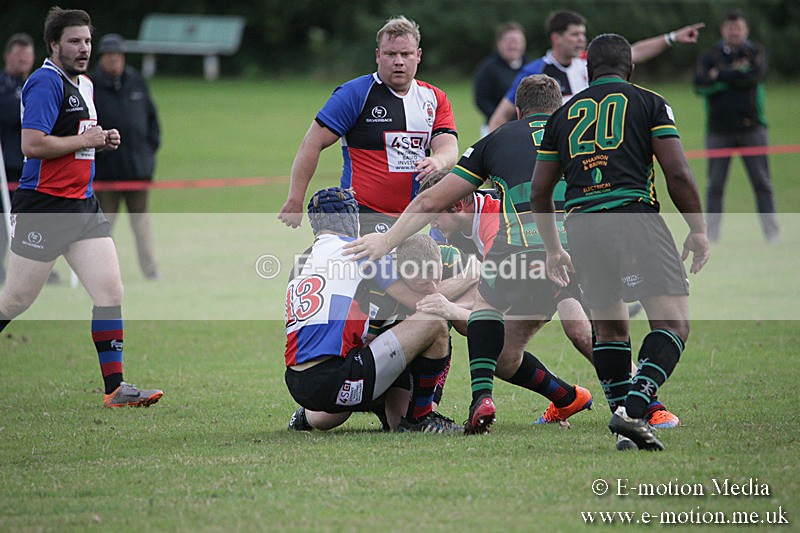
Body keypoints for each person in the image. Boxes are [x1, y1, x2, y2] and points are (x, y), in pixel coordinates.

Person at [345, 74, 600, 435]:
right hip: (581, 246)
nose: (435, 224)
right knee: (503, 354)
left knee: (548, 325)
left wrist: (445, 300)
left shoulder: (498, 220)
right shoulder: (577, 137)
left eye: (440, 216)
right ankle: (570, 398)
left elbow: (474, 280)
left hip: (551, 257)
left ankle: (641, 399)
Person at [531, 34, 710, 451]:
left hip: (582, 229)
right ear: (630, 69)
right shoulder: (649, 102)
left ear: (588, 70)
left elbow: (540, 191)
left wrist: (554, 248)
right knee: (672, 324)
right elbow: (678, 173)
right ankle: (632, 411)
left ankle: (626, 432)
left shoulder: (563, 114)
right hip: (634, 219)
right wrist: (698, 229)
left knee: (610, 331)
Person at [0, 7, 162, 408]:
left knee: (110, 290)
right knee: (15, 301)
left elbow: (77, 138)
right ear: (54, 44)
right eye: (74, 41)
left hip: (81, 207)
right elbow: (32, 145)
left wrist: (102, 139)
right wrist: (86, 140)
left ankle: (116, 388)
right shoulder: (44, 82)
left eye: (87, 41)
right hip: (44, 207)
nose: (83, 48)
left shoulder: (85, 85)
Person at [285, 187, 462, 433]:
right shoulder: (360, 250)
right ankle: (421, 418)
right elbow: (420, 302)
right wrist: (471, 276)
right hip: (336, 380)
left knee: (337, 407)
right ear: (353, 218)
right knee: (433, 322)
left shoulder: (302, 261)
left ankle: (306, 417)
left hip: (297, 383)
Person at [277, 15, 459, 236]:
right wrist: (295, 200)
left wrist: (438, 160)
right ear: (378, 56)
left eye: (406, 54)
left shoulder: (434, 98)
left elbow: (449, 147)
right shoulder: (354, 94)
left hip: (419, 213)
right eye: (391, 54)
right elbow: (312, 142)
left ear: (418, 56)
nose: (399, 61)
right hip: (364, 213)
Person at [488, 10, 705, 131]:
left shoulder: (589, 62)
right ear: (556, 38)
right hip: (553, 157)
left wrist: (672, 38)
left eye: (583, 34)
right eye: (575, 34)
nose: (582, 39)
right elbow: (498, 119)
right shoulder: (535, 72)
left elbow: (633, 51)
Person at [694, 9, 778, 243]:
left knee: (762, 183)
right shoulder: (710, 55)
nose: (734, 31)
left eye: (738, 27)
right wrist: (734, 74)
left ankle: (772, 235)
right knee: (715, 186)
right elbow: (700, 85)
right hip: (718, 131)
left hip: (753, 129)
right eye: (730, 27)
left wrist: (719, 75)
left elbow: (753, 76)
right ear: (723, 30)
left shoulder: (756, 52)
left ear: (746, 30)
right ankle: (711, 237)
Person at [90, 33, 161, 279]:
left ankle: (150, 270)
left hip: (137, 170)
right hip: (106, 174)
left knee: (142, 225)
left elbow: (152, 122)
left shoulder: (136, 81)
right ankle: (99, 272)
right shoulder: (91, 86)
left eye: (118, 55)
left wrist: (148, 156)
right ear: (102, 58)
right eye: (110, 56)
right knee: (104, 225)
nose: (115, 60)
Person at [0, 33, 36, 283]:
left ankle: (34, 270)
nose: (23, 59)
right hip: (5, 168)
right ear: (8, 57)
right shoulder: (2, 86)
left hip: (31, 166)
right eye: (18, 55)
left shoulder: (37, 84)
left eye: (27, 55)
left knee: (32, 224)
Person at [473, 21, 528, 137]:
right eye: (509, 41)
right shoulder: (488, 68)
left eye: (518, 41)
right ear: (499, 43)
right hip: (496, 127)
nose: (514, 45)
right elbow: (481, 99)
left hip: (525, 127)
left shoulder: (531, 68)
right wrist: (499, 118)